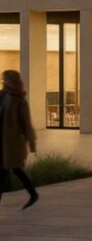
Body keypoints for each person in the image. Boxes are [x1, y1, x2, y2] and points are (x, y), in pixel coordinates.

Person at [0, 70, 38, 209]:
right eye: (3, 79)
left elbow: (27, 123)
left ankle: (33, 194)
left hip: (12, 142)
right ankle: (33, 194)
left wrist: (32, 142)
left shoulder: (19, 100)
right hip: (2, 140)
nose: (4, 81)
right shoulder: (2, 95)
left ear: (14, 80)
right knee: (12, 169)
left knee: (7, 169)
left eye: (7, 79)